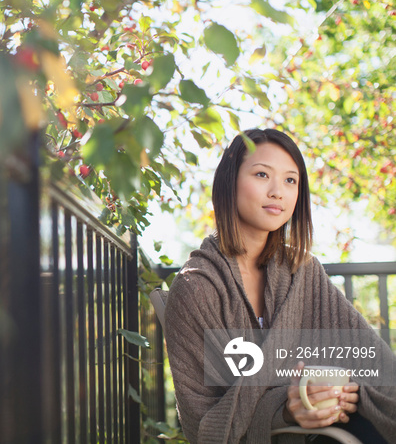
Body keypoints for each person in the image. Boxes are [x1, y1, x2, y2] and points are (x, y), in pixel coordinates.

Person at [163, 128, 396, 443]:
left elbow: (372, 360)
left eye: (290, 180)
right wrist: (285, 408)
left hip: (332, 428)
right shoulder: (196, 288)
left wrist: (346, 392)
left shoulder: (302, 271)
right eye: (262, 174)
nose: (278, 192)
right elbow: (203, 423)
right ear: (228, 183)